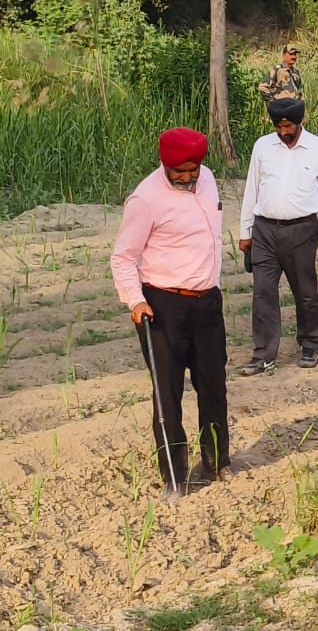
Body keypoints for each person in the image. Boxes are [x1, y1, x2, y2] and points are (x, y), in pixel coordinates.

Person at [110, 127, 229, 504]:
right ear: (165, 163)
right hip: (163, 306)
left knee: (213, 386)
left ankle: (216, 462)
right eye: (179, 170)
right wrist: (134, 300)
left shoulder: (208, 180)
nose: (187, 176)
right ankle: (174, 477)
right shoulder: (145, 199)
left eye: (192, 168)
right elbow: (123, 257)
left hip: (207, 302)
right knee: (168, 393)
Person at [238, 98, 318, 374]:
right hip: (264, 230)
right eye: (278, 125)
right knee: (263, 293)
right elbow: (251, 190)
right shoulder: (262, 146)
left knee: (305, 291)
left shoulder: (317, 148)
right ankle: (263, 354)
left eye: (288, 125)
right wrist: (246, 232)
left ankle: (310, 343)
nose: (283, 130)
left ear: (301, 121)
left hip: (302, 230)